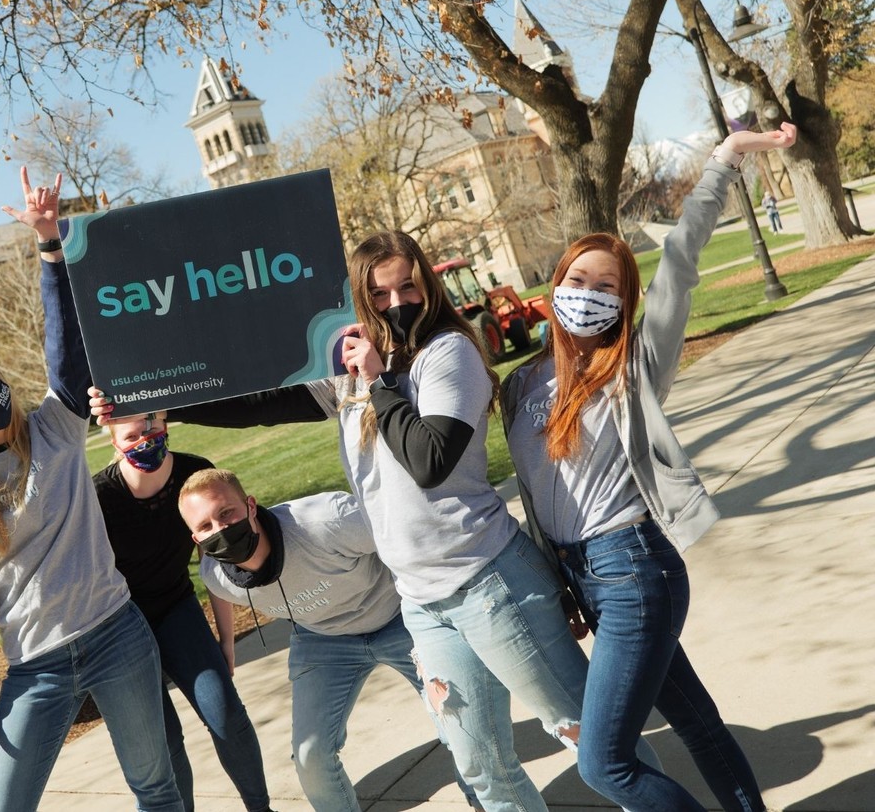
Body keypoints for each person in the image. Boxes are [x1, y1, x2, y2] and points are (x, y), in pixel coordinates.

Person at [93, 230, 659, 812]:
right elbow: (257, 407)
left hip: (488, 580)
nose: (395, 303)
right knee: (480, 764)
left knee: (585, 737)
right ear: (361, 298)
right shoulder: (347, 370)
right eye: (380, 292)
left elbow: (431, 461)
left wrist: (381, 382)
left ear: (427, 286)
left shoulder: (448, 353)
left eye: (407, 286)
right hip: (421, 602)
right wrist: (149, 396)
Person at [500, 124, 796, 811]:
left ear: (625, 300)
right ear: (557, 284)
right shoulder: (518, 386)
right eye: (580, 279)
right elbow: (537, 496)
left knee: (604, 765)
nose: (591, 292)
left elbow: (684, 257)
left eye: (609, 284)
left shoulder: (634, 366)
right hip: (585, 575)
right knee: (696, 722)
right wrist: (563, 585)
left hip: (634, 568)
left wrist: (727, 157)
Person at [0, 168, 183, 812]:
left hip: (116, 634)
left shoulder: (56, 428)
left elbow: (64, 342)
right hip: (35, 667)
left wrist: (50, 244)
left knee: (156, 788)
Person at [177, 469, 479, 812]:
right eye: (205, 527)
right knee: (310, 755)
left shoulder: (325, 521)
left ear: (250, 506)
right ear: (196, 540)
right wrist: (227, 641)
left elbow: (405, 533)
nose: (220, 530)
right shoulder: (218, 579)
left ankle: (484, 800)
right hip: (323, 639)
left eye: (226, 513)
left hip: (400, 616)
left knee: (458, 717)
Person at [93, 418, 272, 812]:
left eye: (150, 426)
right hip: (121, 626)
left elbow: (216, 563)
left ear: (164, 421)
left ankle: (261, 808)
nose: (144, 439)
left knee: (224, 711)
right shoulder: (98, 496)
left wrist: (225, 640)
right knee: (164, 740)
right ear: (115, 442)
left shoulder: (194, 474)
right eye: (132, 436)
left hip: (176, 608)